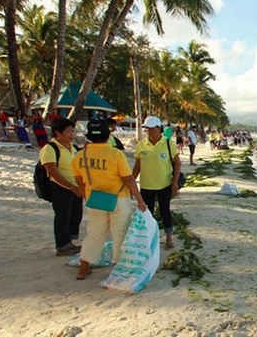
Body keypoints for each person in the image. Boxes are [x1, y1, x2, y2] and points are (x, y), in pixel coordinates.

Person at [72, 119, 147, 280]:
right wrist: (140, 200)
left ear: (89, 137)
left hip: (95, 199)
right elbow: (128, 179)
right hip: (119, 199)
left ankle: (84, 268)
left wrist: (86, 196)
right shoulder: (115, 154)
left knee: (94, 234)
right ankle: (119, 268)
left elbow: (79, 180)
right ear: (108, 135)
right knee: (119, 234)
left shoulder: (80, 155)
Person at [133, 116, 181, 249]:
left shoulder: (168, 143)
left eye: (151, 129)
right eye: (146, 129)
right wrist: (131, 183)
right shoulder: (141, 145)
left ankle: (169, 238)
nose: (148, 131)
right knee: (147, 214)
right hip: (146, 186)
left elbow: (177, 163)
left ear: (159, 128)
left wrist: (175, 182)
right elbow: (137, 166)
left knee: (165, 211)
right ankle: (149, 239)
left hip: (164, 185)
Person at [40, 118, 83, 256]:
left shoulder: (73, 148)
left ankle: (69, 242)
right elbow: (52, 171)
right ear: (58, 133)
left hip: (75, 186)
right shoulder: (50, 148)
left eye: (73, 131)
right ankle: (62, 245)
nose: (72, 134)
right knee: (62, 216)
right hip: (60, 187)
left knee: (75, 215)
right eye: (69, 131)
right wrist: (70, 186)